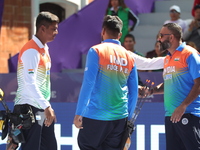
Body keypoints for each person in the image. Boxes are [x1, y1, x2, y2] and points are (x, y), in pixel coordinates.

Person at [73, 15, 138, 150]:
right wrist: (128, 118)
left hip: (96, 115)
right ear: (120, 34)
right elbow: (134, 92)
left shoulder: (96, 51)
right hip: (120, 118)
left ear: (103, 31)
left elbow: (88, 83)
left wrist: (79, 112)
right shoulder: (130, 57)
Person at [13, 12, 59, 150]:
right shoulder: (31, 50)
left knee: (50, 147)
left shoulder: (43, 48)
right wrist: (46, 106)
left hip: (40, 106)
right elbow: (29, 82)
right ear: (42, 29)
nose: (56, 32)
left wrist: (45, 106)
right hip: (29, 108)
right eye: (53, 28)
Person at [152, 23, 200, 150]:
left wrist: (183, 106)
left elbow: (199, 83)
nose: (159, 39)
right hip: (171, 116)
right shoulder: (167, 58)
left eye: (161, 35)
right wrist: (150, 91)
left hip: (188, 115)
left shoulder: (190, 54)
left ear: (171, 37)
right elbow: (169, 83)